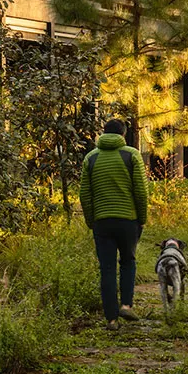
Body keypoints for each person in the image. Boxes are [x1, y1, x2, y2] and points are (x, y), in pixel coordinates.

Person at [79, 117, 149, 329]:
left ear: (104, 132)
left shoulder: (91, 157)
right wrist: (142, 219)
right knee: (128, 261)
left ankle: (111, 319)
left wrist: (91, 220)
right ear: (123, 134)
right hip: (128, 220)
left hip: (102, 222)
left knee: (107, 269)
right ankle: (126, 305)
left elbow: (85, 194)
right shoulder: (131, 155)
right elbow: (141, 191)